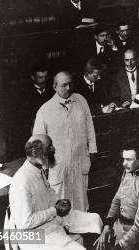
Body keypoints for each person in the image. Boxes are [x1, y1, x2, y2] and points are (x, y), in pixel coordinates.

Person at [9, 135, 102, 250]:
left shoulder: (37, 170)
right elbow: (25, 223)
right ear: (35, 152)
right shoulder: (22, 181)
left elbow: (47, 195)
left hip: (50, 221)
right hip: (33, 235)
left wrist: (59, 202)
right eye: (49, 147)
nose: (53, 150)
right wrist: (54, 210)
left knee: (95, 219)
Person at [33, 72, 97, 212]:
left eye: (70, 83)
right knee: (61, 205)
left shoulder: (81, 101)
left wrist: (92, 150)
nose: (68, 88)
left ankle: (82, 231)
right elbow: (37, 143)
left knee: (81, 202)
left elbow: (90, 126)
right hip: (58, 167)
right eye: (64, 85)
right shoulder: (45, 111)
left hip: (80, 161)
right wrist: (44, 167)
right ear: (55, 86)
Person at [94, 141, 139, 250]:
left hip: (137, 238)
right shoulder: (128, 171)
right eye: (124, 159)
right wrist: (107, 227)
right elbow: (117, 199)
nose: (124, 163)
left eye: (129, 160)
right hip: (120, 228)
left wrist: (120, 246)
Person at [12, 64, 54, 158]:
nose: (44, 80)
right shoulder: (24, 93)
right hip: (30, 132)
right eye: (40, 77)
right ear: (33, 77)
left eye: (46, 77)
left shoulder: (52, 91)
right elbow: (20, 116)